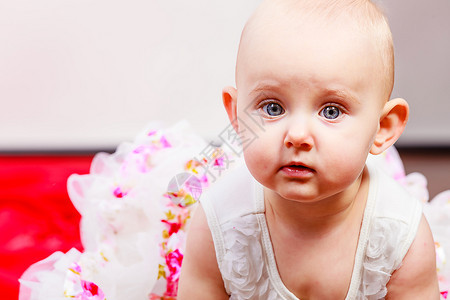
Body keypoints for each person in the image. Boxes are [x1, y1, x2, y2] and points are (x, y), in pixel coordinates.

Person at [177, 0, 440, 299]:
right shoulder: (219, 225)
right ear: (238, 117)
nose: (298, 135)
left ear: (382, 127)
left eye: (331, 111)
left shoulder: (401, 236)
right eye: (273, 107)